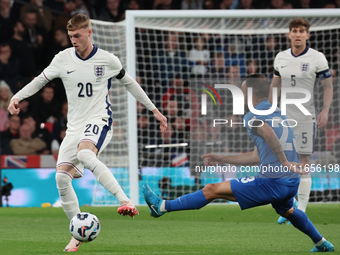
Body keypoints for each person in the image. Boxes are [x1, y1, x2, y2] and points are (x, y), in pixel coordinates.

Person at [8, 14, 167, 252]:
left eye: (78, 36)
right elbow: (40, 81)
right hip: (74, 127)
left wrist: (154, 109)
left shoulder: (108, 60)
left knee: (84, 155)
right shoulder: (63, 59)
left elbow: (130, 83)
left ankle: (125, 201)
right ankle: (78, 231)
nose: (73, 40)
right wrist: (17, 96)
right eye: (71, 36)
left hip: (99, 120)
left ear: (89, 33)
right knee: (61, 178)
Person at [143, 74, 334, 253]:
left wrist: (283, 161)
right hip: (290, 182)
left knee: (212, 189)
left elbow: (268, 132)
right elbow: (257, 156)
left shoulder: (252, 116)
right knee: (288, 211)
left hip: (272, 181)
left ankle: (161, 207)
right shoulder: (278, 112)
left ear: (250, 94)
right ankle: (321, 243)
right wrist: (222, 158)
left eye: (243, 92)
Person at [269, 18, 333, 224]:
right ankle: (290, 207)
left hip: (306, 118)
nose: (298, 34)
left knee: (304, 163)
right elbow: (275, 86)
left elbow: (328, 86)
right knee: (285, 164)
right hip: (284, 118)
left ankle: (301, 210)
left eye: (301, 31)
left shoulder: (317, 57)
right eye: (294, 31)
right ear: (289, 34)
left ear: (308, 35)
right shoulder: (280, 57)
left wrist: (325, 110)